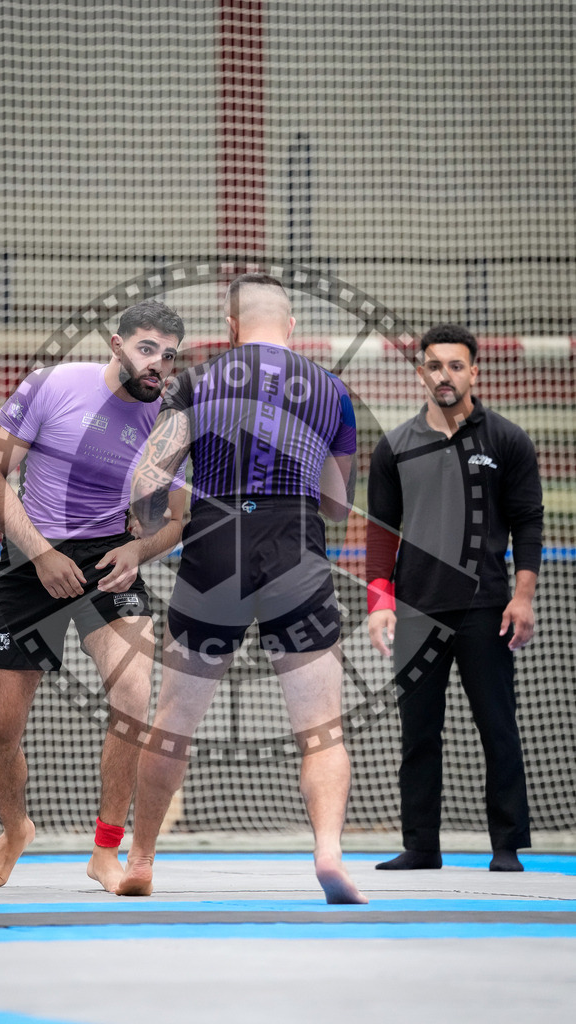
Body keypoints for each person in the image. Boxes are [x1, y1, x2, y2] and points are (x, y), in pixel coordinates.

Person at [119, 272, 368, 904]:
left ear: (231, 327)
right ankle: (330, 853)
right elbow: (339, 506)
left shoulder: (195, 381)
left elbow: (146, 478)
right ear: (289, 327)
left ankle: (141, 858)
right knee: (322, 729)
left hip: (214, 548)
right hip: (296, 550)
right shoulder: (333, 390)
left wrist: (145, 532)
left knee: (173, 720)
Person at [0, 299, 187, 891]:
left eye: (168, 357)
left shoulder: (171, 418)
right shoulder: (52, 385)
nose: (157, 366)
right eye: (147, 350)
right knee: (0, 731)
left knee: (135, 691)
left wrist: (139, 551)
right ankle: (16, 830)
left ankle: (105, 849)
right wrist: (41, 554)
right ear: (117, 346)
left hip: (108, 561)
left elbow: (176, 521)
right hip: (30, 556)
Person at [366, 323, 543, 872]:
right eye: (435, 365)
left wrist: (523, 597)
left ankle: (506, 846)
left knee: (497, 726)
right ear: (422, 372)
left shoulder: (506, 439)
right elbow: (379, 531)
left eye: (456, 365)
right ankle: (422, 845)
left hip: (487, 608)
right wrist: (380, 603)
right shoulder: (394, 446)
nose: (445, 375)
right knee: (419, 733)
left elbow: (528, 524)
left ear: (474, 371)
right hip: (416, 611)